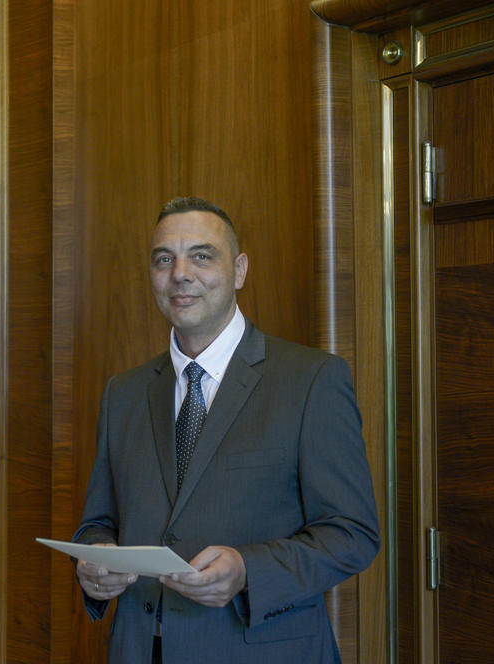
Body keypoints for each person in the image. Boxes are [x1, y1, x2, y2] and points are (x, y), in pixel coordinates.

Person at [73, 197, 380, 663]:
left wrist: (246, 571)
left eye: (201, 255)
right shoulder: (124, 393)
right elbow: (98, 524)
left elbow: (352, 534)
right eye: (163, 259)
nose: (180, 273)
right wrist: (95, 563)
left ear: (238, 270)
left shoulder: (312, 380)